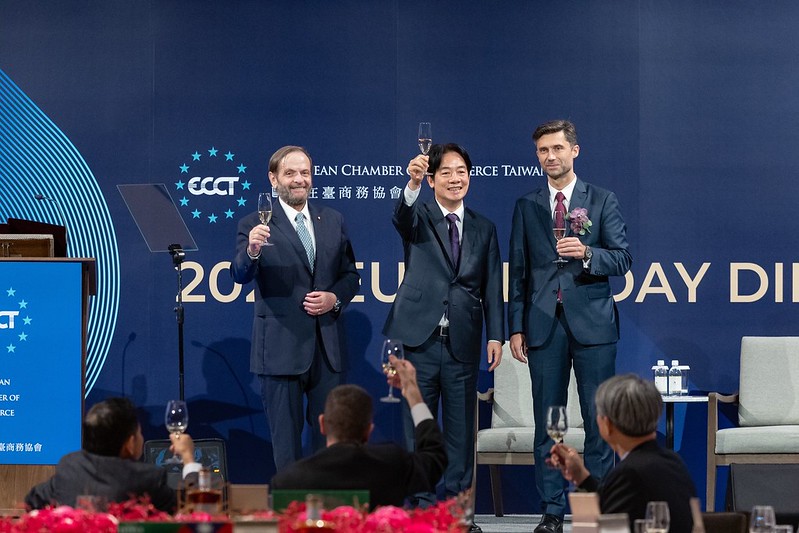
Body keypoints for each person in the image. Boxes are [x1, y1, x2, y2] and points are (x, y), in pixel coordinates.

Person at [507, 120, 632, 533]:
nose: (550, 157)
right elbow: (519, 272)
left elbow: (622, 258)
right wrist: (516, 327)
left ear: (574, 151)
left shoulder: (601, 200)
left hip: (594, 328)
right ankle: (553, 510)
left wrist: (588, 253)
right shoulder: (527, 206)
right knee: (552, 423)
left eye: (557, 148)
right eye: (543, 150)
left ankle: (592, 510)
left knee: (600, 423)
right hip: (544, 328)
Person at [382, 144, 505, 509]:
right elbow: (400, 216)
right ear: (433, 179)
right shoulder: (418, 216)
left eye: (462, 171)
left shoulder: (484, 227)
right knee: (417, 427)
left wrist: (495, 334)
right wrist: (412, 183)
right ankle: (419, 504)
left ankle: (458, 509)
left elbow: (493, 286)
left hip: (463, 341)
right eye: (447, 172)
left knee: (461, 432)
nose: (456, 179)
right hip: (418, 339)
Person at [231, 145, 360, 471]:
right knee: (286, 448)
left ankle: (326, 515)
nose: (299, 179)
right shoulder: (254, 224)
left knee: (330, 441)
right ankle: (291, 518)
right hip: (280, 350)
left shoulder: (332, 219)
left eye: (305, 172)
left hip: (327, 349)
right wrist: (253, 250)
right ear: (273, 179)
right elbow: (239, 274)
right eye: (290, 173)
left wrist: (335, 299)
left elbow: (350, 276)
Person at [271, 356, 447, 509]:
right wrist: (413, 393)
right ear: (369, 429)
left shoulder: (288, 482)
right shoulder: (392, 465)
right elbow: (435, 459)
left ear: (322, 424)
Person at [548, 374, 697, 533]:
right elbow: (611, 503)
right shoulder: (673, 461)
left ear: (608, 424)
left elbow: (604, 526)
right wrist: (581, 477)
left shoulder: (629, 472)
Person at [25, 397, 200, 512]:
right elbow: (194, 509)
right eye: (139, 433)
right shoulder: (147, 478)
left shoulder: (70, 466)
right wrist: (188, 458)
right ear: (130, 444)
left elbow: (32, 501)